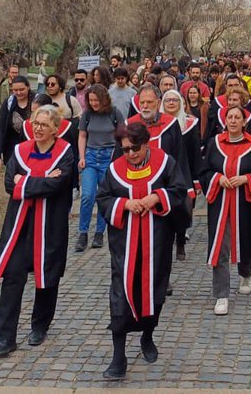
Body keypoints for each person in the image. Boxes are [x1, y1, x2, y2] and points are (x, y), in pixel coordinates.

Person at [95, 120, 187, 379]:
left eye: (135, 148)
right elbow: (103, 198)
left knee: (153, 290)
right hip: (124, 244)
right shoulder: (115, 170)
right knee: (120, 292)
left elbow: (179, 191)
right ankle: (118, 358)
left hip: (156, 241)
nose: (131, 154)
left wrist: (156, 197)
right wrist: (125, 204)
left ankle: (147, 335)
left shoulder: (165, 163)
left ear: (146, 143)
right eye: (125, 149)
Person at [0, 104, 76, 356]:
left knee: (47, 275)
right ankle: (5, 337)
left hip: (50, 224)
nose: (38, 128)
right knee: (13, 276)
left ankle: (40, 325)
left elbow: (58, 185)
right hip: (20, 225)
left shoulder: (65, 153)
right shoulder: (20, 150)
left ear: (55, 129)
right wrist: (43, 180)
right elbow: (9, 184)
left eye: (44, 125)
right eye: (36, 123)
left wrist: (24, 182)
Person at [200, 104, 251, 316]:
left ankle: (246, 273)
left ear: (244, 121)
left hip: (244, 204)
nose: (232, 121)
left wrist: (247, 179)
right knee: (220, 246)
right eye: (229, 117)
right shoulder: (214, 144)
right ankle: (221, 295)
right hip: (220, 204)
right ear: (225, 120)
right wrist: (217, 178)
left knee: (245, 242)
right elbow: (204, 171)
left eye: (237, 117)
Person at [77, 84, 123, 252]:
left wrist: (117, 158)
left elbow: (122, 135)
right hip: (91, 156)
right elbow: (82, 135)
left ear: (104, 99)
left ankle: (99, 232)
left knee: (103, 196)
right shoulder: (87, 114)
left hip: (108, 156)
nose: (94, 103)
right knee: (87, 196)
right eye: (91, 100)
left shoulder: (114, 112)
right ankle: (83, 233)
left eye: (96, 100)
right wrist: (82, 157)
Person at [161, 89, 202, 261]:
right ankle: (166, 240)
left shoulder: (190, 123)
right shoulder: (158, 124)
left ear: (181, 103)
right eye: (167, 100)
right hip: (164, 172)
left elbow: (195, 152)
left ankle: (180, 240)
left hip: (185, 170)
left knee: (183, 208)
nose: (171, 103)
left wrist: (196, 179)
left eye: (175, 100)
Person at [0, 75, 34, 170]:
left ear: (28, 87)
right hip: (12, 149)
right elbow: (1, 129)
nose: (19, 93)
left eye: (22, 89)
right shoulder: (9, 103)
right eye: (15, 90)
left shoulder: (36, 101)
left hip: (32, 148)